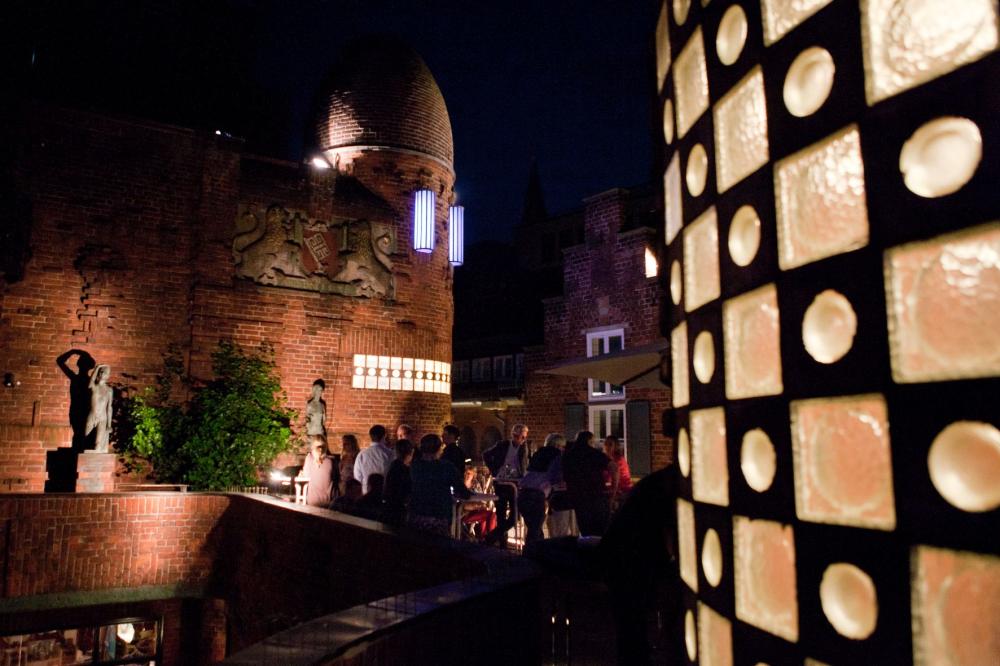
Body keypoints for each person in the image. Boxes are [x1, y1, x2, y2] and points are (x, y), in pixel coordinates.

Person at [599, 465, 681, 665]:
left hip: (624, 554)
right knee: (633, 624)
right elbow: (669, 533)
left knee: (631, 627)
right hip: (629, 557)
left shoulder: (661, 482)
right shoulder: (673, 487)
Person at [407, 434, 470, 537]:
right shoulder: (446, 467)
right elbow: (462, 491)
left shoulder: (414, 466)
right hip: (439, 515)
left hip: (417, 513)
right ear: (439, 449)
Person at [482, 424, 530, 547]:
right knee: (501, 514)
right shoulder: (503, 445)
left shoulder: (525, 447)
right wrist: (495, 470)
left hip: (516, 483)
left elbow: (525, 464)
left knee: (515, 516)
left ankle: (491, 537)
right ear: (512, 435)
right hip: (501, 482)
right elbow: (486, 455)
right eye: (517, 436)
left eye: (523, 437)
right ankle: (502, 543)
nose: (520, 439)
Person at [561, 430, 615, 536]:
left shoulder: (568, 455)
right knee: (601, 530)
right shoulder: (594, 453)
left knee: (585, 531)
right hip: (597, 496)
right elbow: (614, 467)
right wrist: (613, 489)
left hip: (578, 497)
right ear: (590, 441)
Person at [518, 432, 566, 544]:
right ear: (558, 445)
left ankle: (536, 552)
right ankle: (530, 556)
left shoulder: (538, 454)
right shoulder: (557, 456)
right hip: (537, 495)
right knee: (535, 531)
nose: (563, 449)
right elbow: (557, 477)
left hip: (523, 493)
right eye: (562, 446)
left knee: (534, 529)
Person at [353, 425, 395, 494]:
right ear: (384, 436)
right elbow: (393, 476)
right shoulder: (390, 454)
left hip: (366, 493)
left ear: (370, 436)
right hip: (384, 493)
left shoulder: (361, 455)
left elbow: (357, 477)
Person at [382, 438, 414, 527]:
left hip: (389, 506)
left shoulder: (392, 465)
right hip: (398, 508)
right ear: (411, 452)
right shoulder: (404, 469)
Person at [460, 466, 497, 539]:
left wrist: (478, 505)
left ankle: (483, 539)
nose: (467, 475)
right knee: (491, 515)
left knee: (488, 514)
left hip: (475, 510)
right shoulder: (460, 484)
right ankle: (490, 539)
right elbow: (463, 505)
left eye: (469, 474)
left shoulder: (475, 484)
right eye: (466, 473)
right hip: (463, 513)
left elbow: (481, 499)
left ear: (473, 475)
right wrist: (475, 505)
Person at [85, 364, 113, 453]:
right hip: (92, 415)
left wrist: (109, 425)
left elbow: (109, 408)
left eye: (107, 373)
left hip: (103, 418)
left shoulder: (109, 390)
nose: (105, 374)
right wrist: (97, 368)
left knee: (97, 445)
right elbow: (91, 382)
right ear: (99, 374)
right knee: (85, 440)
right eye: (103, 372)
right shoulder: (94, 387)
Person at [302, 434, 337, 508]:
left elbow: (305, 476)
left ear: (312, 447)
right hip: (329, 502)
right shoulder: (332, 461)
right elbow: (336, 478)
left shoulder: (309, 459)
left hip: (313, 501)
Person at [604, 435, 633, 509]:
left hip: (622, 491)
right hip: (611, 489)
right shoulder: (605, 459)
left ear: (616, 447)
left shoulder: (619, 460)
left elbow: (616, 479)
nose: (607, 447)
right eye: (606, 444)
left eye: (610, 444)